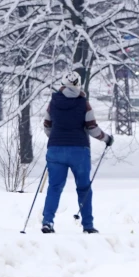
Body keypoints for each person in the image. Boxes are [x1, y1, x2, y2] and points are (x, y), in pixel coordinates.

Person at [41, 71, 114, 234]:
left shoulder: (53, 103)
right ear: (78, 84)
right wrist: (106, 139)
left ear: (62, 84)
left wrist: (54, 138)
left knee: (54, 187)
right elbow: (92, 129)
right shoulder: (84, 104)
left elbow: (47, 126)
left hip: (55, 150)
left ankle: (47, 222)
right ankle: (87, 225)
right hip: (79, 151)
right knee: (83, 188)